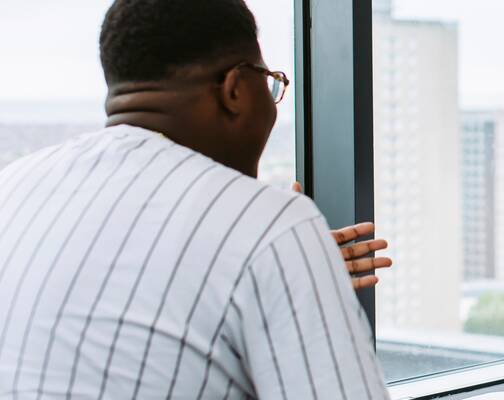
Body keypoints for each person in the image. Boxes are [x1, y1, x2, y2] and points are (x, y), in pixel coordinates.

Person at [0, 0, 391, 398]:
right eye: (269, 82)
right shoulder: (269, 224)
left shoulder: (10, 190)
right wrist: (286, 253)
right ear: (236, 89)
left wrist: (289, 277)